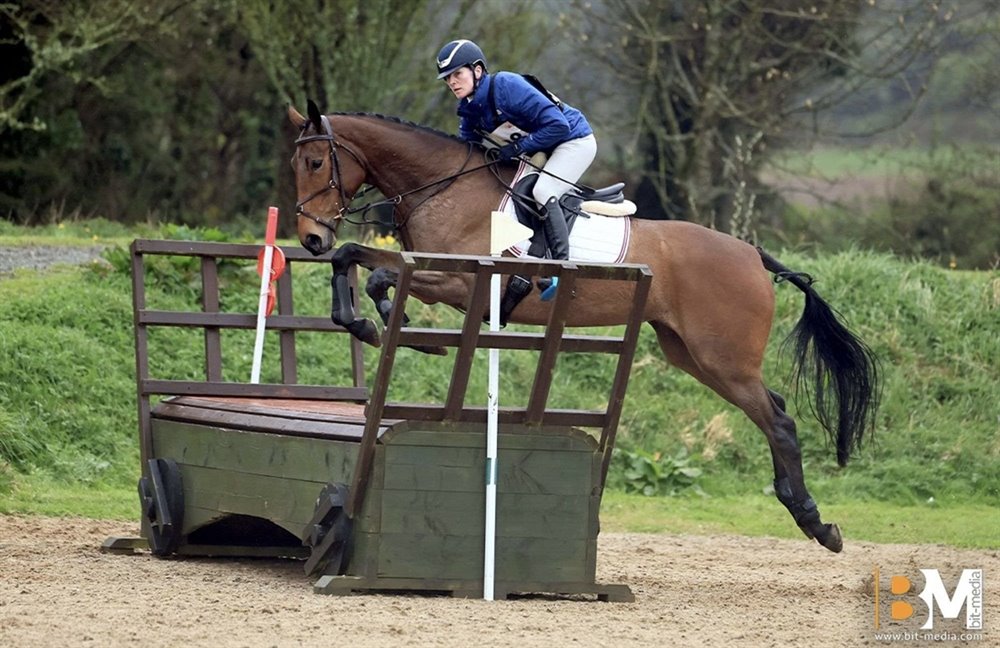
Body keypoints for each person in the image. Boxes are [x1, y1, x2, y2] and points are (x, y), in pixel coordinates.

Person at [436, 38, 596, 299]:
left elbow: (559, 126)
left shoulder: (507, 86)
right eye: (447, 78)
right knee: (508, 189)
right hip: (542, 151)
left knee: (543, 191)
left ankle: (563, 270)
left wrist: (518, 147)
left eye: (457, 74)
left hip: (574, 141)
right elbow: (467, 151)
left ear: (477, 70)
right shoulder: (468, 110)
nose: (452, 82)